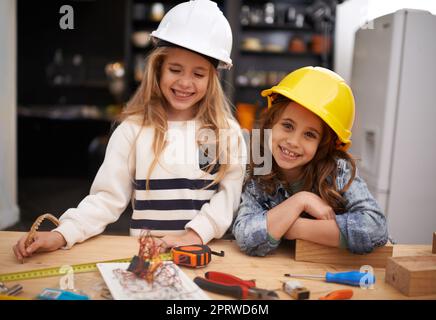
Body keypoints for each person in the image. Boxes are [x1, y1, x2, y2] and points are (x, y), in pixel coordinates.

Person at [13, 0, 246, 261]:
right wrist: (62, 233)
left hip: (203, 254)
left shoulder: (227, 133)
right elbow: (105, 199)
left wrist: (192, 236)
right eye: (175, 69)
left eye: (198, 74)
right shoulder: (132, 131)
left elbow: (229, 198)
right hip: (149, 259)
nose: (184, 82)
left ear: (213, 78)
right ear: (158, 69)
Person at [233, 66, 388, 256]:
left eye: (309, 134)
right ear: (272, 123)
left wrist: (294, 228)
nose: (293, 142)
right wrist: (301, 201)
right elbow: (246, 236)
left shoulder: (339, 170)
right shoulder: (258, 166)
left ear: (324, 144)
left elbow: (375, 229)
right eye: (287, 126)